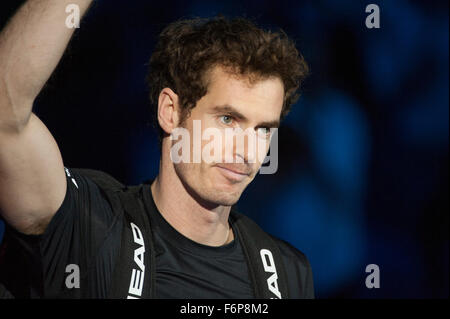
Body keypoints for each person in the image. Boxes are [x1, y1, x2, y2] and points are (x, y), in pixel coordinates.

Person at [0, 0, 314, 298]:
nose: (247, 152)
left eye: (263, 130)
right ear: (170, 111)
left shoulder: (286, 273)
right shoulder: (90, 226)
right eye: (228, 119)